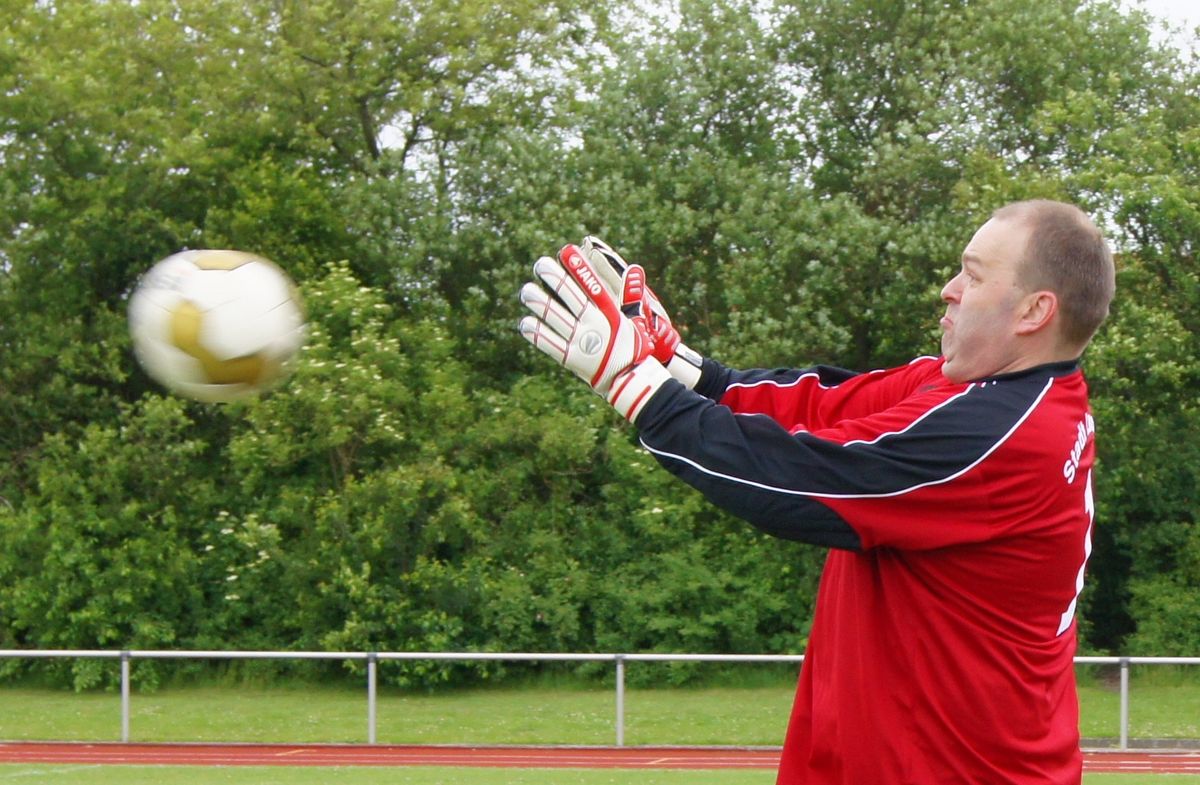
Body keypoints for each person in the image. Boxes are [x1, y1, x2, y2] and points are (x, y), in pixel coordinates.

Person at [517, 198, 1116, 784]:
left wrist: (633, 383)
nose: (950, 289)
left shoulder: (1002, 435)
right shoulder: (975, 393)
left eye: (974, 274)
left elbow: (798, 478)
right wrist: (681, 368)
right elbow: (817, 408)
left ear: (1034, 312)